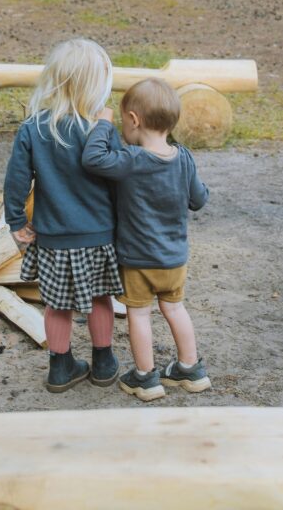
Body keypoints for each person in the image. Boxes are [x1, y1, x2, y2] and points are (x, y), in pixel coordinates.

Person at [3, 38, 122, 394]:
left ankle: (60, 368)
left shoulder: (34, 129)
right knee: (101, 299)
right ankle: (103, 362)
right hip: (99, 236)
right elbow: (119, 183)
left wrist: (15, 222)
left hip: (54, 239)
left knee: (56, 304)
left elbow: (16, 182)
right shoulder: (101, 131)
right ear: (96, 84)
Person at [82, 76, 210, 402]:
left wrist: (102, 123)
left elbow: (93, 159)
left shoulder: (132, 160)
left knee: (139, 315)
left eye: (124, 120)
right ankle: (190, 368)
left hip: (138, 260)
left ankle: (145, 377)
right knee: (175, 308)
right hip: (175, 259)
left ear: (134, 120)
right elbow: (198, 200)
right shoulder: (183, 157)